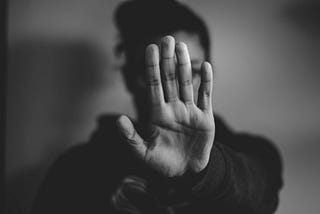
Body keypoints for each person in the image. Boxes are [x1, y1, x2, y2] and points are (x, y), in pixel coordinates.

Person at [31, 0, 283, 213]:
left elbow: (261, 193)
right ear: (129, 78)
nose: (169, 85)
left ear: (209, 73)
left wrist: (206, 170)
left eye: (190, 69)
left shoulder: (253, 153)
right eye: (157, 71)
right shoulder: (76, 169)